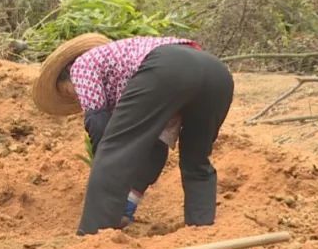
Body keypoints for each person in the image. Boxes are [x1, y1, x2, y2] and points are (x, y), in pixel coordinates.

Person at [31, 34, 234, 235]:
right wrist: (129, 198)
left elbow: (99, 125)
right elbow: (157, 149)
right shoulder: (130, 74)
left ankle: (94, 236)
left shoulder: (81, 64)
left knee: (113, 153)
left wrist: (103, 165)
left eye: (67, 92)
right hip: (217, 75)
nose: (74, 97)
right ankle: (202, 231)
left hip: (167, 67)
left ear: (67, 73)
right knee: (196, 160)